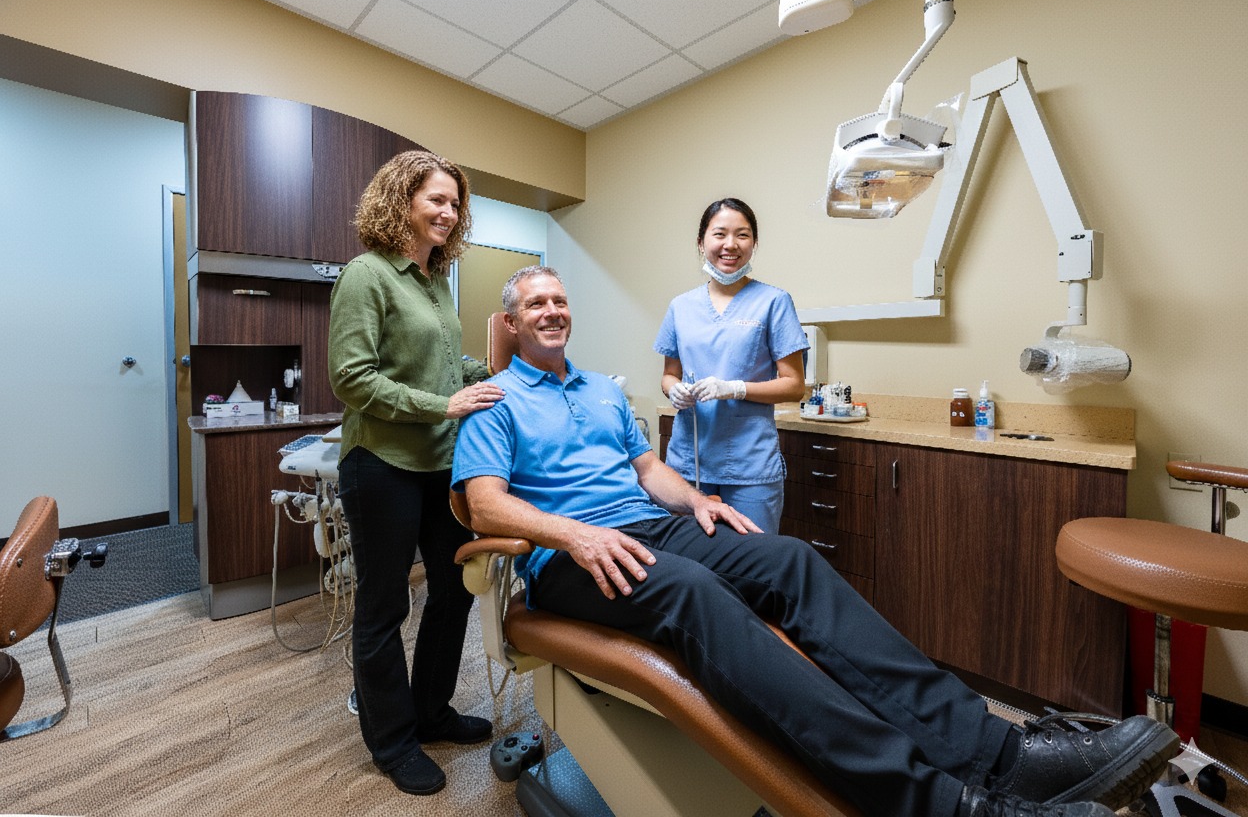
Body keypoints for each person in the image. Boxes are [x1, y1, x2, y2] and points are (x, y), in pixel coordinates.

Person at [451, 265, 1178, 817]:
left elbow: (649, 471)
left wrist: (700, 500)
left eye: (559, 300)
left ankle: (1002, 753)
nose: (552, 311)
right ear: (511, 323)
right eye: (535, 304)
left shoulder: (603, 391)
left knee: (791, 558)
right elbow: (484, 506)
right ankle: (941, 803)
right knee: (697, 595)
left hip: (651, 529)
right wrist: (573, 534)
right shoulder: (495, 399)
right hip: (572, 559)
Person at [329, 150, 505, 797]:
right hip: (381, 465)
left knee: (456, 588)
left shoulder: (434, 282)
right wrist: (444, 404)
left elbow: (440, 364)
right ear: (401, 200)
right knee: (383, 604)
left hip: (438, 464)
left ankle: (430, 712)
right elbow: (352, 378)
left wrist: (490, 379)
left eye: (455, 203)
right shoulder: (367, 275)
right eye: (436, 199)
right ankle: (392, 741)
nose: (448, 212)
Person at [655, 198, 807, 533]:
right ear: (701, 242)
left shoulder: (774, 302)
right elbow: (669, 374)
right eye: (719, 234)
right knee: (693, 567)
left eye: (742, 235)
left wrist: (736, 388)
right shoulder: (680, 307)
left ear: (753, 243)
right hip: (689, 461)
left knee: (755, 565)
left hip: (750, 465)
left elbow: (794, 385)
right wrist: (674, 390)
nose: (730, 244)